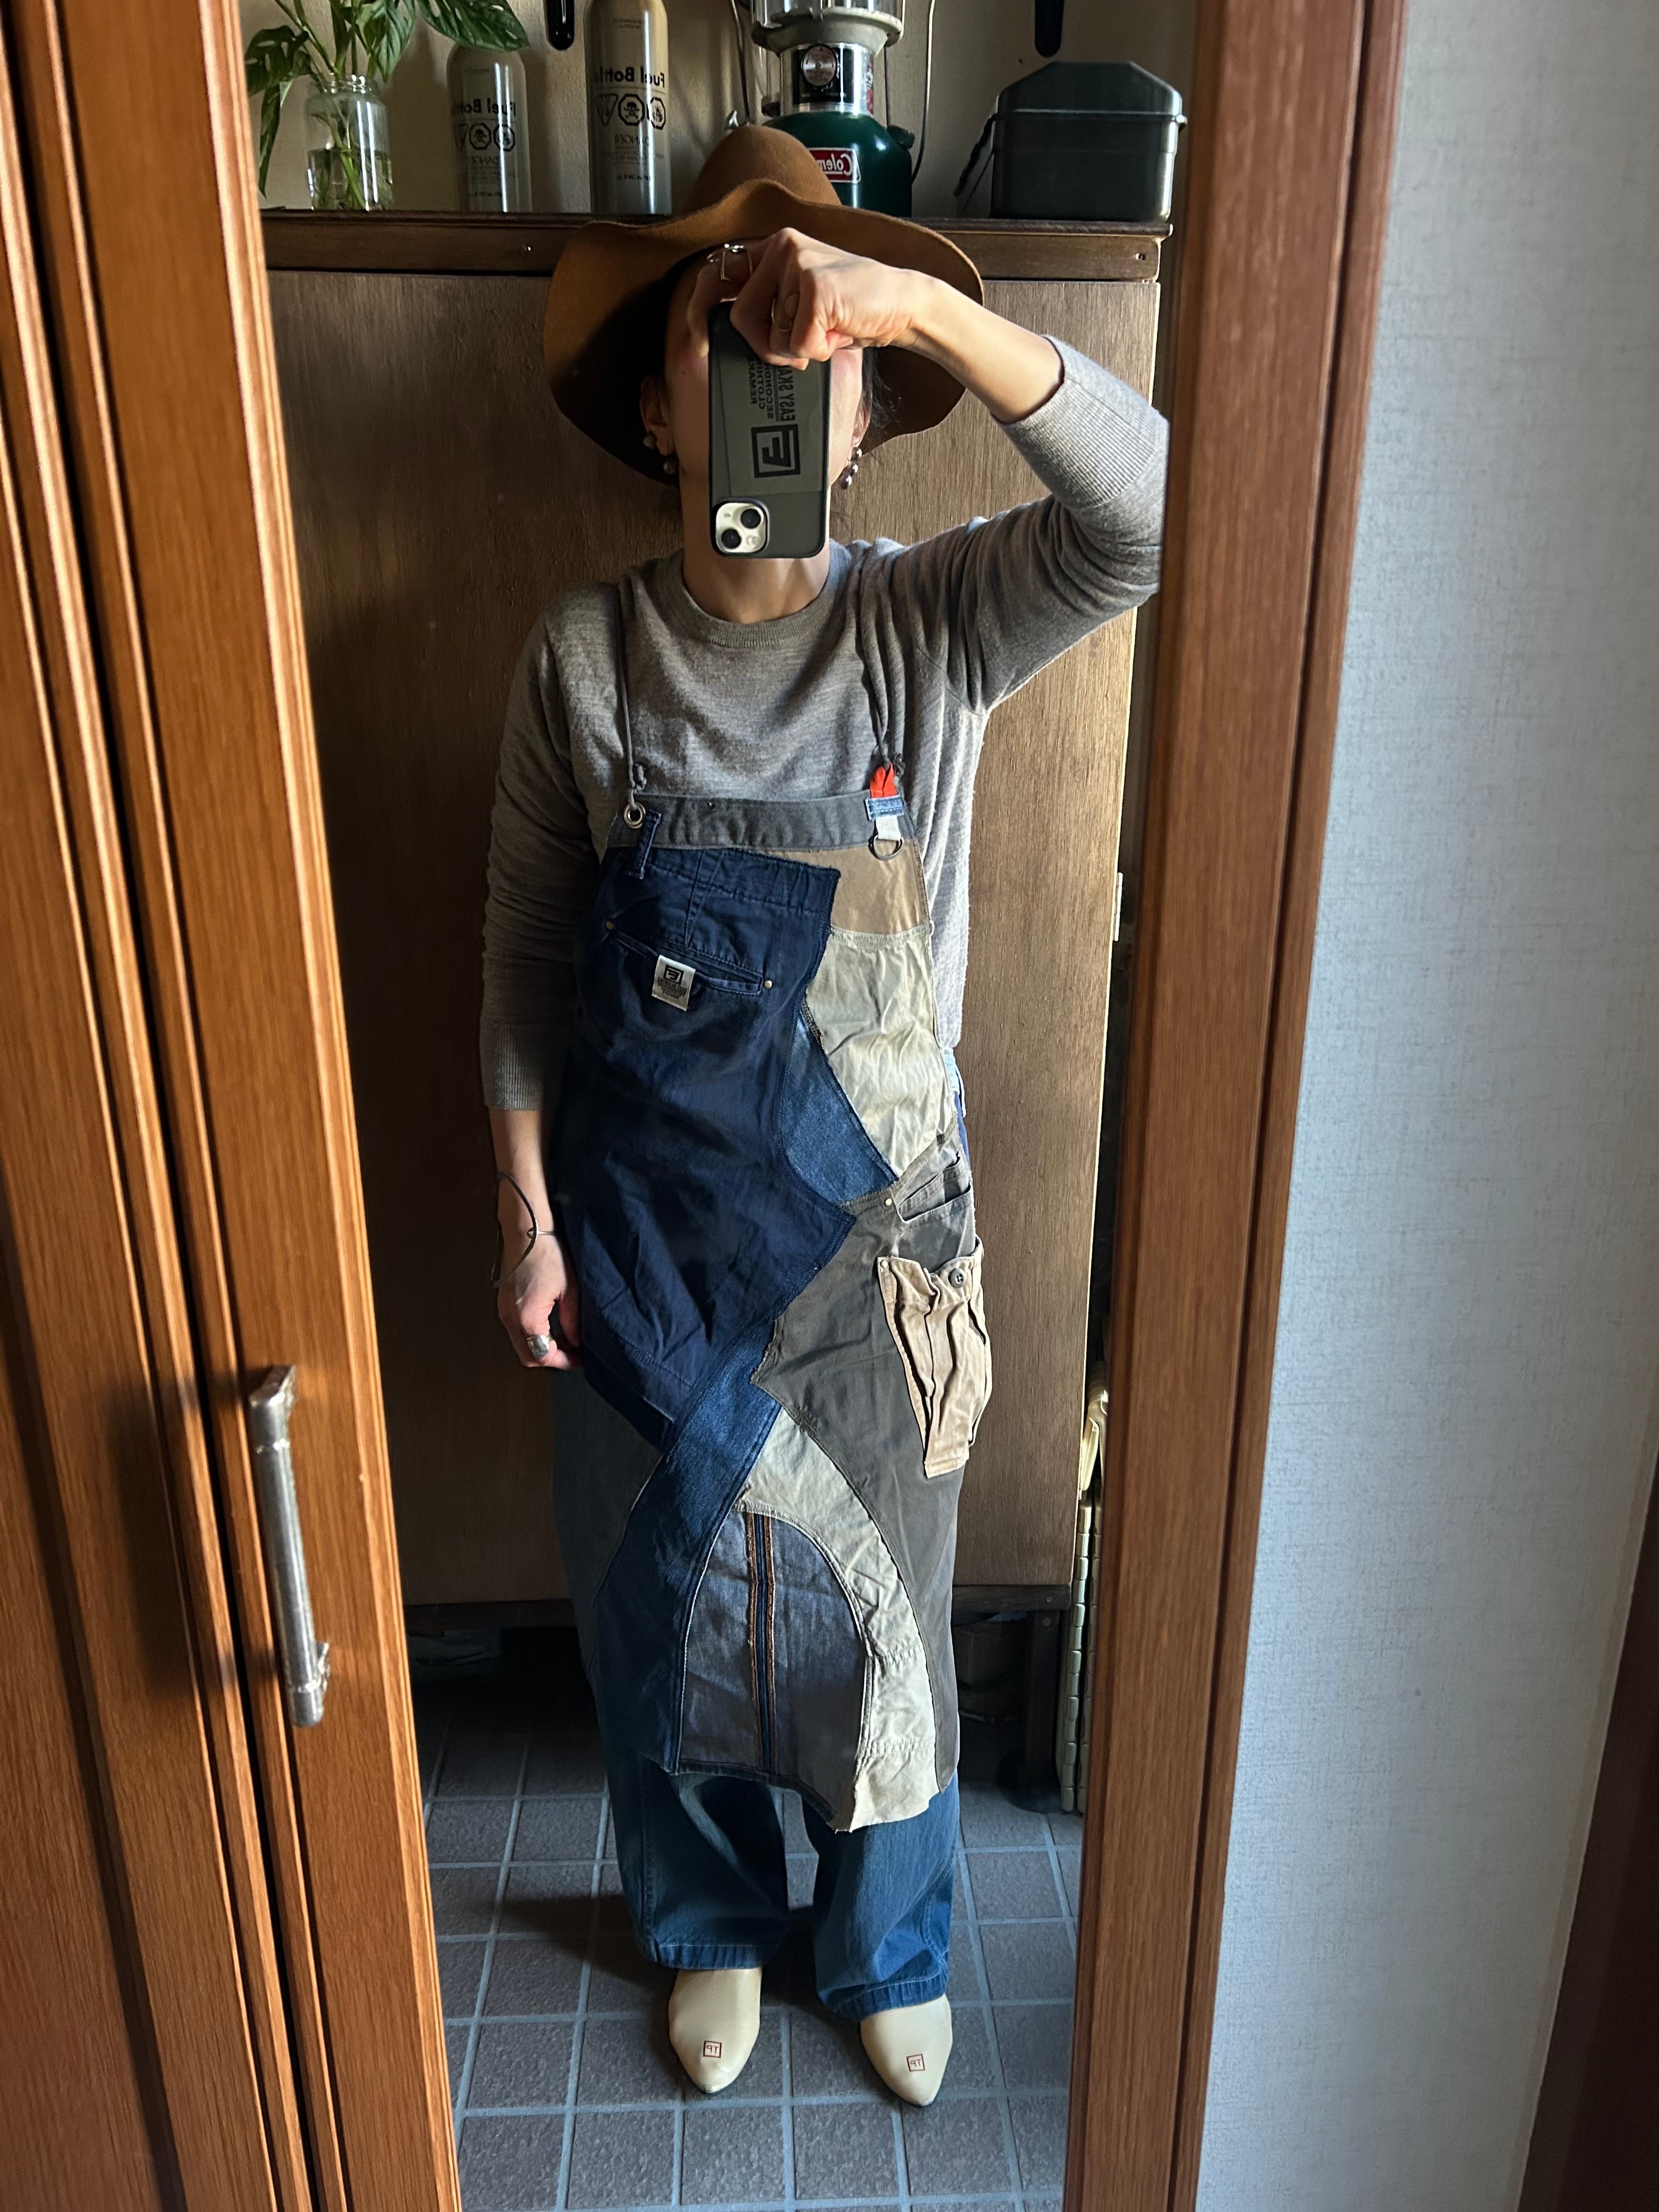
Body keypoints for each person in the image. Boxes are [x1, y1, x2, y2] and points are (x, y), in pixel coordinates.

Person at [481, 127, 1166, 2106]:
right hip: (642, 1251)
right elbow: (520, 962)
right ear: (654, 404)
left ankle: (885, 1947)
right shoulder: (583, 659)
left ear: (863, 418)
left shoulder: (934, 625)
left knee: (892, 1624)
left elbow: (1147, 512)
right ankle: (704, 1924)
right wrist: (525, 1215)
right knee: (661, 1605)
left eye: (817, 336)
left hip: (887, 1266)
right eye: (728, 317)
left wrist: (920, 303)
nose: (781, 350)